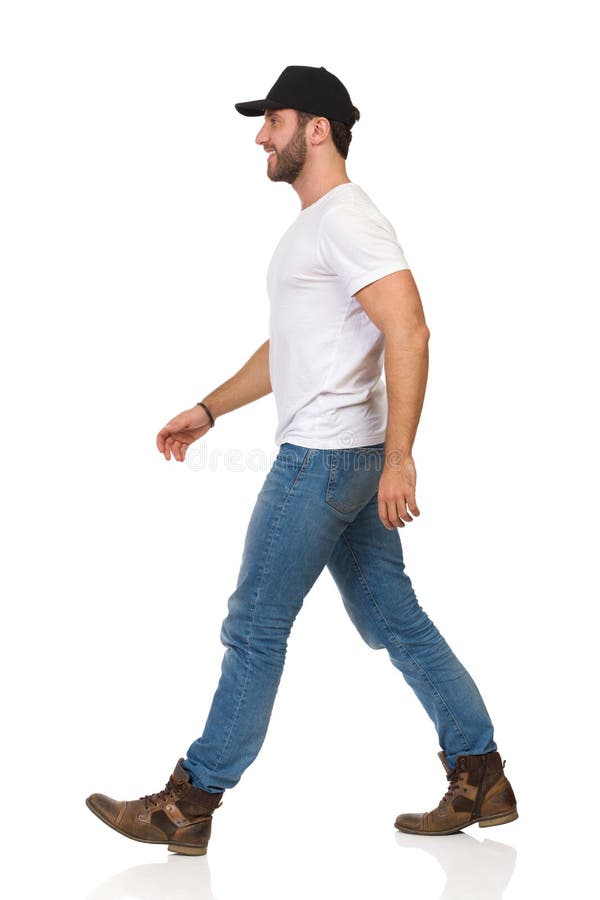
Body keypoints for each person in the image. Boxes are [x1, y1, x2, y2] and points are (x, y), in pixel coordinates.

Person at [86, 65, 518, 855]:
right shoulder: (317, 228)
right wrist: (211, 407)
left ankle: (190, 802)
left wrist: (401, 459)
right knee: (395, 619)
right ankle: (479, 771)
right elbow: (292, 348)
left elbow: (410, 330)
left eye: (273, 120)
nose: (260, 135)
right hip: (342, 460)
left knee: (254, 628)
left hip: (323, 464)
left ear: (316, 129)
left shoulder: (347, 220)